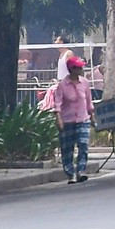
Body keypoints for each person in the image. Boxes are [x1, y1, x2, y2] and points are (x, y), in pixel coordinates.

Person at [47, 54, 95, 183]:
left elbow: (89, 102)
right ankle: (70, 173)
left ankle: (81, 170)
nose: (81, 70)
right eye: (79, 68)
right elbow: (57, 105)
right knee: (67, 149)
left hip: (83, 120)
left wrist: (92, 116)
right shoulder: (62, 85)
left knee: (83, 145)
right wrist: (59, 119)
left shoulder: (84, 83)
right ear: (72, 69)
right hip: (67, 121)